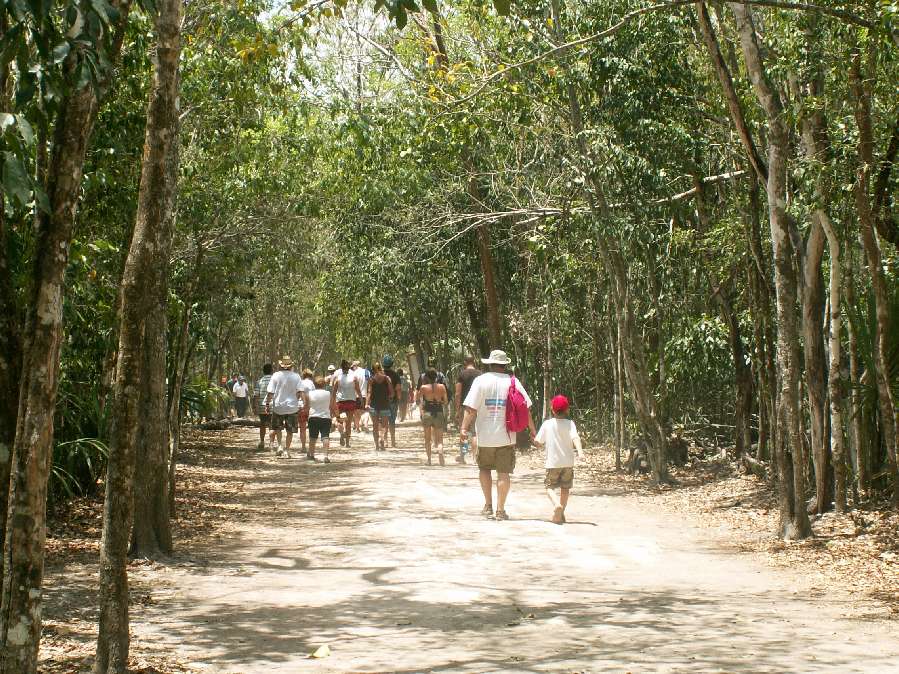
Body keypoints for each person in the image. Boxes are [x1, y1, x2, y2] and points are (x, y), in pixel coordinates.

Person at [460, 349, 536, 521]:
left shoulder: (480, 381)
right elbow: (525, 408)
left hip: (484, 437)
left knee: (484, 469)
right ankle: (500, 510)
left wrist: (463, 428)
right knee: (503, 473)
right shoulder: (513, 381)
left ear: (490, 364)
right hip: (506, 437)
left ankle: (488, 505)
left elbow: (471, 409)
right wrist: (532, 430)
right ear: (504, 365)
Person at [533, 395, 583, 524]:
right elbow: (575, 438)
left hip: (553, 463)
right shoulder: (570, 423)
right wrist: (580, 452)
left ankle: (556, 504)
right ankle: (562, 512)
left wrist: (537, 443)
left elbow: (538, 441)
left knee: (549, 487)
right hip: (568, 463)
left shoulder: (547, 424)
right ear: (567, 410)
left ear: (552, 409)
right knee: (565, 488)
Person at [264, 356, 303, 458]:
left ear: (281, 365)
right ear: (291, 366)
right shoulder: (296, 376)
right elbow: (300, 392)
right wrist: (300, 402)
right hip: (292, 407)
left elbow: (270, 392)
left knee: (278, 428)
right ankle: (287, 450)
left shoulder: (276, 376)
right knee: (290, 431)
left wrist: (267, 404)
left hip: (278, 406)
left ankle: (280, 445)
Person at [454, 356, 482, 463]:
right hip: (477, 406)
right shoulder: (480, 374)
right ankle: (475, 458)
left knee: (464, 431)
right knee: (475, 433)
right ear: (474, 362)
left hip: (465, 407)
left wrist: (457, 409)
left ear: (465, 362)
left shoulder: (462, 374)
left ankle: (463, 456)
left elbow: (458, 393)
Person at [417, 368, 448, 465]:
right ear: (436, 377)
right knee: (440, 439)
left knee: (427, 439)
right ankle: (440, 453)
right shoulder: (442, 386)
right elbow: (446, 401)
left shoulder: (423, 387)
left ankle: (429, 460)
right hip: (438, 412)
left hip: (427, 413)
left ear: (426, 377)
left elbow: (417, 399)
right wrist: (439, 401)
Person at [331, 359, 361, 448]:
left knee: (340, 421)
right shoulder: (354, 378)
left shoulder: (338, 379)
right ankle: (347, 443)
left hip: (340, 402)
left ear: (341, 368)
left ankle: (341, 433)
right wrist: (361, 399)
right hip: (351, 401)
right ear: (348, 368)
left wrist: (332, 402)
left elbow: (334, 392)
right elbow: (358, 390)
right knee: (348, 422)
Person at [306, 376, 335, 463]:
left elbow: (307, 406)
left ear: (314, 384)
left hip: (313, 417)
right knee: (325, 437)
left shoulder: (309, 394)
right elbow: (332, 406)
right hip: (326, 417)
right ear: (324, 384)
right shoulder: (328, 394)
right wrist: (336, 416)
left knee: (312, 437)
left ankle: (311, 455)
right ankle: (325, 456)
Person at [367, 362, 393, 451]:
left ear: (372, 370)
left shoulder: (371, 380)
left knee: (375, 426)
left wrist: (366, 403)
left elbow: (369, 392)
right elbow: (391, 392)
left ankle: (377, 445)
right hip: (385, 404)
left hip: (374, 405)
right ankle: (382, 439)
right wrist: (390, 396)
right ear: (380, 368)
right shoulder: (386, 378)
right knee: (384, 425)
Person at [382, 355, 402, 448]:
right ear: (391, 364)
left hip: (382, 401)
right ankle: (393, 441)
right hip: (392, 401)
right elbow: (398, 388)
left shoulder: (380, 374)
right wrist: (399, 399)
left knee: (383, 421)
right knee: (392, 421)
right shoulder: (395, 375)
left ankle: (385, 440)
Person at [255, 364, 274, 450]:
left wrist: (256, 406)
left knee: (262, 424)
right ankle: (271, 443)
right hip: (272, 406)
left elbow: (256, 395)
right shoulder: (274, 381)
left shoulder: (259, 381)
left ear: (263, 371)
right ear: (271, 371)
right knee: (271, 425)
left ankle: (262, 442)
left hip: (262, 406)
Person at [298, 368, 315, 459]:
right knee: (312, 428)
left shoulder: (300, 383)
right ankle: (311, 447)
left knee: (302, 428)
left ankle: (303, 446)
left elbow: (297, 395)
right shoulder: (312, 384)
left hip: (301, 407)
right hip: (311, 407)